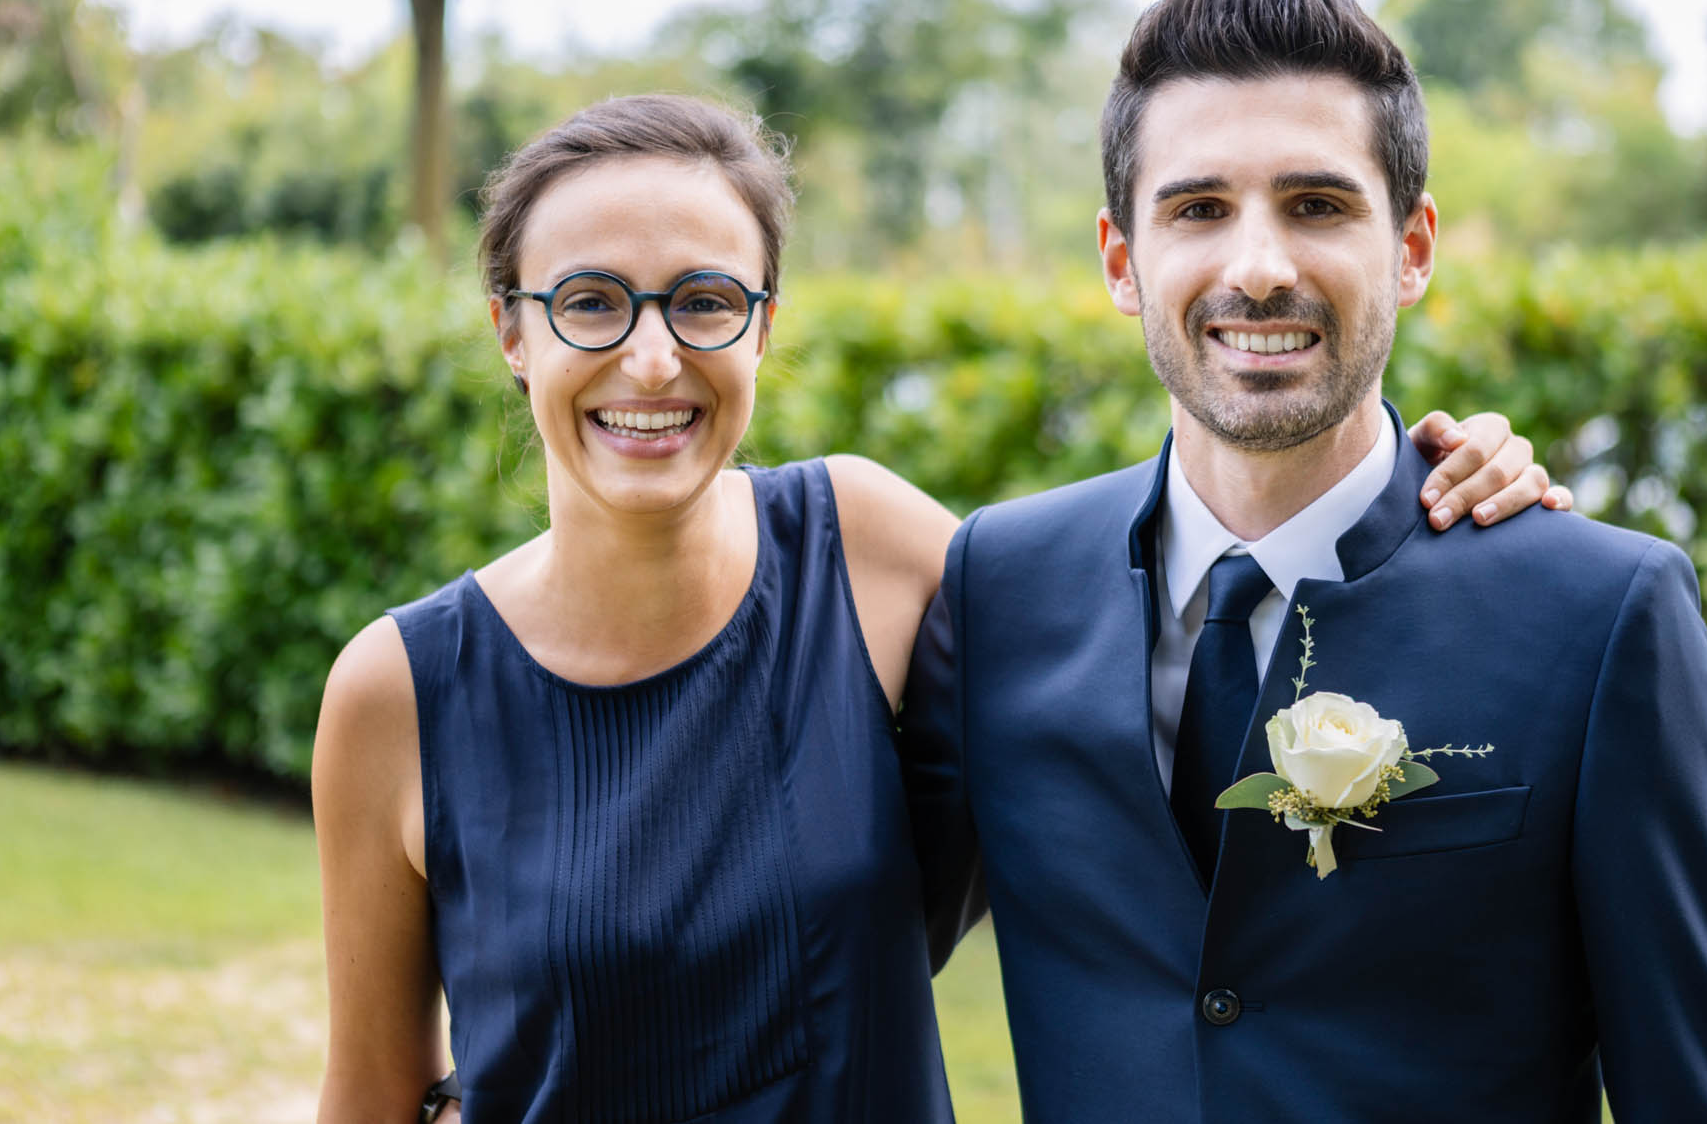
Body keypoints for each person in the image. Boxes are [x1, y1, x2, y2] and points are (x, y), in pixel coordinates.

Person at [310, 94, 1560, 1122]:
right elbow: (369, 1095)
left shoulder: (869, 549)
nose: (651, 357)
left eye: (703, 300)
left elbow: (1189, 604)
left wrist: (1422, 484)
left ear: (762, 327)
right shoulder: (395, 693)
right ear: (511, 331)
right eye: (588, 300)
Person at [902, 0, 1707, 1122]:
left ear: (1411, 247)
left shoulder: (1600, 615)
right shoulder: (997, 588)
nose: (1258, 268)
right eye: (1197, 208)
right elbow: (840, 955)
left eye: (1316, 205)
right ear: (1121, 261)